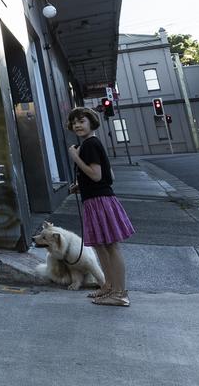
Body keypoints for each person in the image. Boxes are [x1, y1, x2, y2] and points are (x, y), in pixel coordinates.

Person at [67, 106, 135, 307]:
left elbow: (96, 175)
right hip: (98, 199)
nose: (77, 125)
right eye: (74, 122)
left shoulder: (88, 145)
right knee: (102, 246)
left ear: (91, 123)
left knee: (111, 246)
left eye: (82, 121)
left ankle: (120, 293)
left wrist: (75, 157)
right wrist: (81, 186)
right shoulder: (93, 143)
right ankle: (109, 287)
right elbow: (108, 176)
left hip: (99, 201)